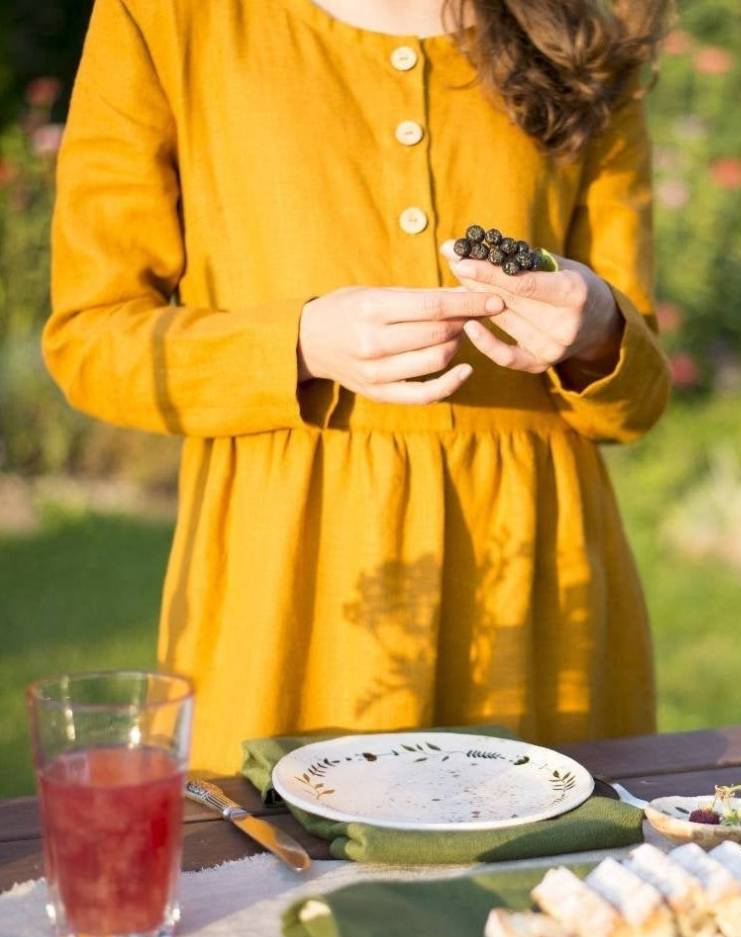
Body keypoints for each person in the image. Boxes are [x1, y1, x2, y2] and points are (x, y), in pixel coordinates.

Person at [43, 0, 673, 774]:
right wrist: (299, 343)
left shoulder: (585, 32)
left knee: (542, 881)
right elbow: (91, 339)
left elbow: (634, 405)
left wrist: (598, 327)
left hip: (537, 586)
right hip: (291, 578)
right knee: (277, 882)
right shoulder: (171, 18)